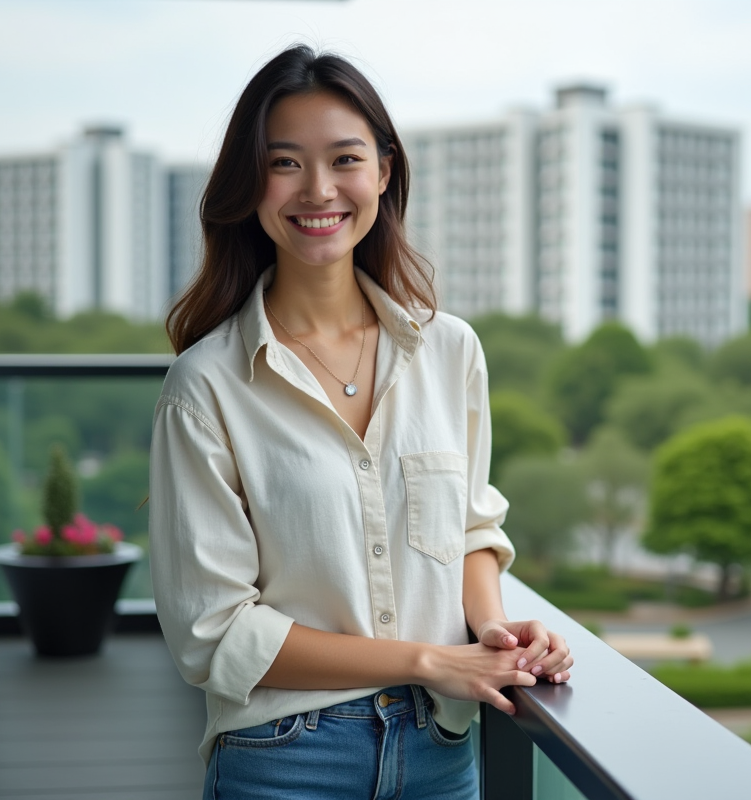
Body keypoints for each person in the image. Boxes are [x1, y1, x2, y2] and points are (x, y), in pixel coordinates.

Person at [148, 45, 573, 800]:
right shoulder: (206, 385)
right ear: (251, 186)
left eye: (344, 158)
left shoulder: (450, 351)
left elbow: (470, 531)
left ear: (383, 171)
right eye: (285, 164)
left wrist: (495, 632)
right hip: (284, 756)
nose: (318, 190)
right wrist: (425, 660)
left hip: (442, 749)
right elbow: (212, 631)